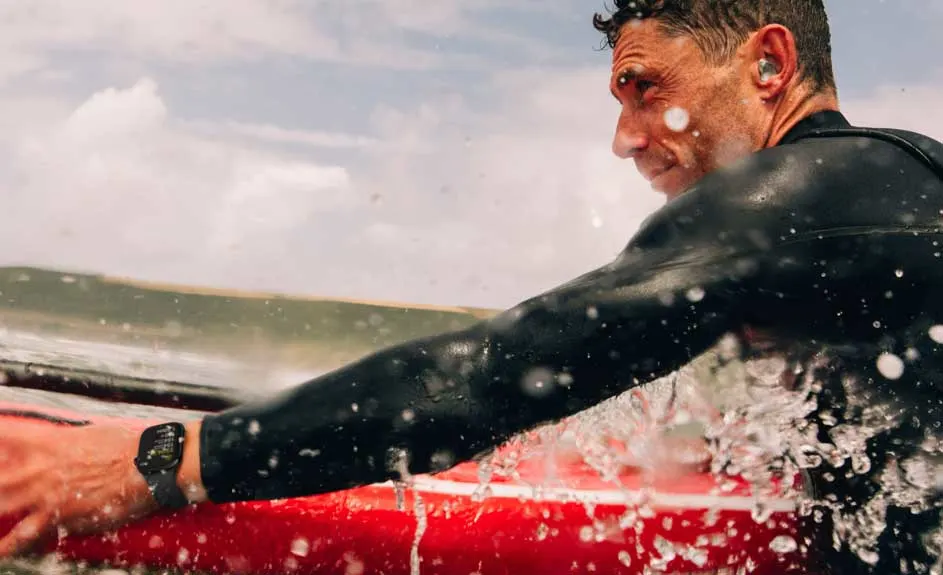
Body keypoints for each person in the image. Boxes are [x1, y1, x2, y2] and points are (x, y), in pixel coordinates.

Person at [2, 1, 942, 573]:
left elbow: (493, 376)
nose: (624, 139)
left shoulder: (789, 206)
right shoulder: (881, 194)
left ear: (768, 64)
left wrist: (158, 460)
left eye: (645, 88)